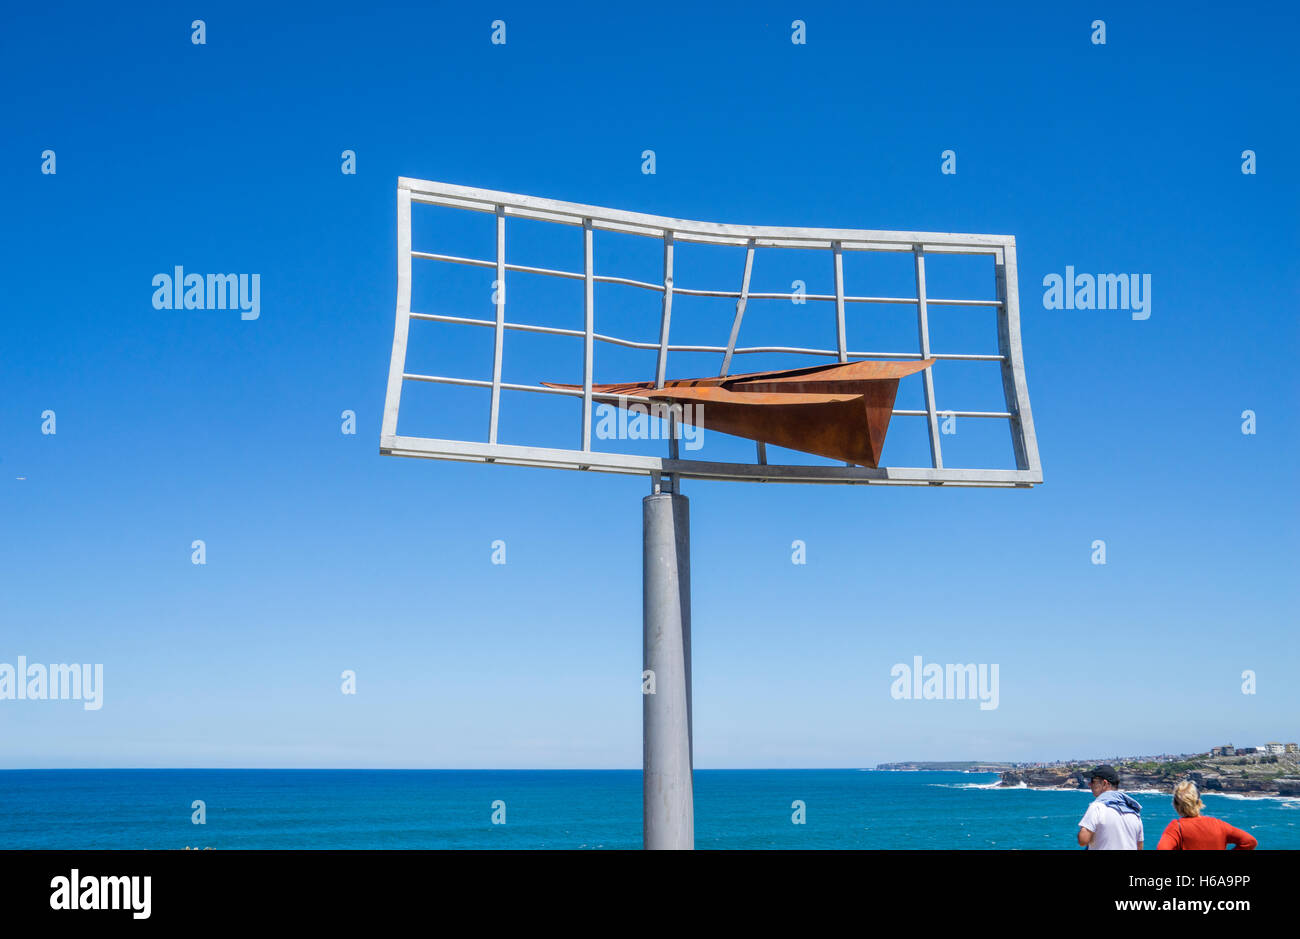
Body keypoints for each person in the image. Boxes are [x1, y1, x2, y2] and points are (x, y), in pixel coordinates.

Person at [1156, 781, 1257, 850]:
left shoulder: (1176, 828)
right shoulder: (1218, 825)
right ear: (1199, 802)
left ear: (1176, 805)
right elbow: (1250, 841)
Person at [1077, 764, 1144, 850]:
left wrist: (1084, 830)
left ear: (1104, 783)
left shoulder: (1097, 807)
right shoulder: (1134, 812)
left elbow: (1083, 840)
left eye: (1093, 781)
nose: (1090, 784)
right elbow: (1139, 846)